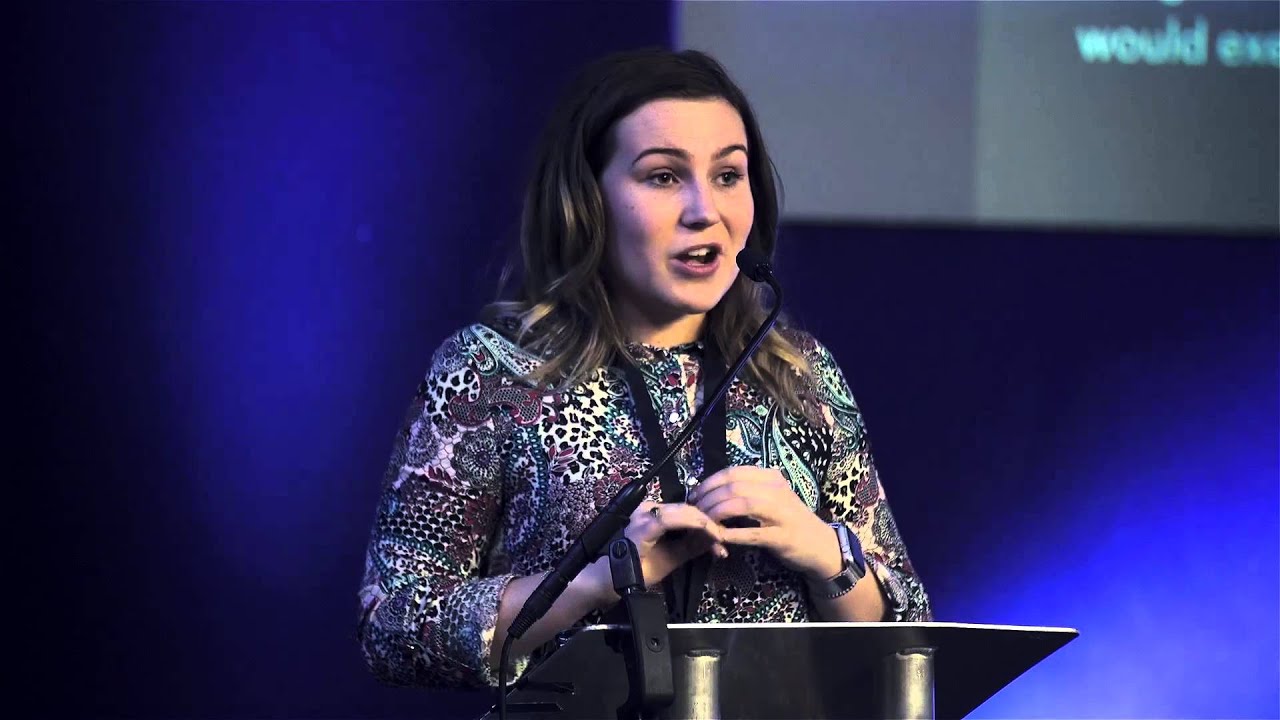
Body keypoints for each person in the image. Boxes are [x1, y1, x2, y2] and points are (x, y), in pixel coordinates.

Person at [356, 48, 931, 690]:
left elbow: (907, 631)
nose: (703, 210)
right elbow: (395, 625)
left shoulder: (801, 375)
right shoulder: (493, 372)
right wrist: (597, 581)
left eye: (728, 175)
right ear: (587, 201)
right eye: (662, 177)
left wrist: (824, 551)